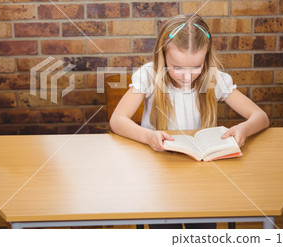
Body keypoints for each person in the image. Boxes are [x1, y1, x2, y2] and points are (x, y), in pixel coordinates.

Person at [109, 14, 270, 229]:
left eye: (196, 67)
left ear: (206, 58)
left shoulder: (213, 78)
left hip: (201, 176)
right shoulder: (148, 75)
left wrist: (244, 129)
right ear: (162, 55)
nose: (187, 77)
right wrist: (148, 136)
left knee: (202, 230)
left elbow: (261, 117)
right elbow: (117, 120)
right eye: (177, 67)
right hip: (159, 173)